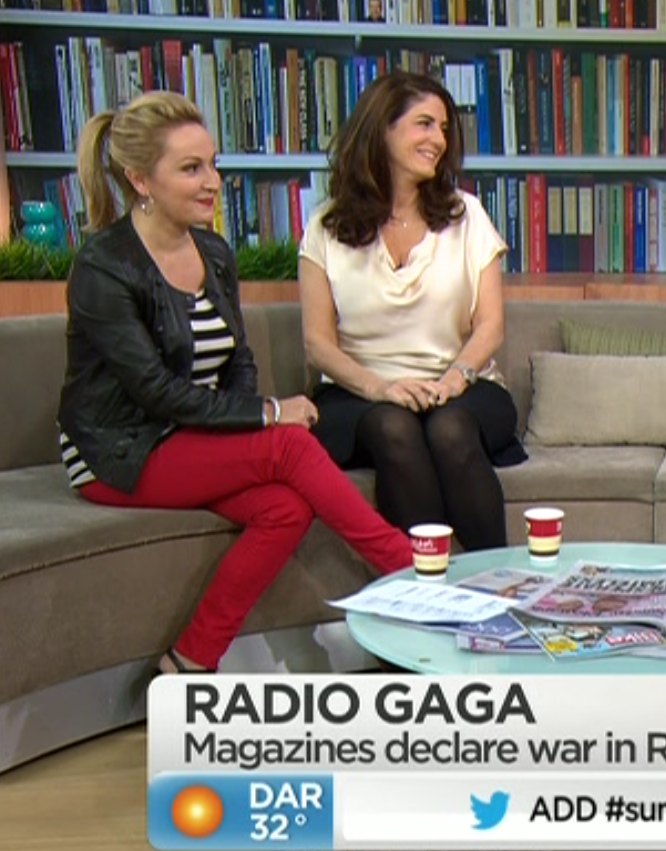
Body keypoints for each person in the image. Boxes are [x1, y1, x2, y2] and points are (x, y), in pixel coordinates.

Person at [58, 92, 413, 675]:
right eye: (191, 168)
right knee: (289, 445)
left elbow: (237, 361)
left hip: (191, 435)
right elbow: (153, 392)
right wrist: (268, 415)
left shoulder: (214, 252)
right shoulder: (104, 266)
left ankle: (190, 658)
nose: (212, 182)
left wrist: (253, 412)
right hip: (119, 449)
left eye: (213, 164)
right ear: (141, 180)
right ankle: (410, 570)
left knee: (285, 508)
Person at [299, 71, 526, 555]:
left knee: (448, 428)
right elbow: (317, 343)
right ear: (382, 128)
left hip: (462, 387)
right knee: (393, 427)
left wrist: (454, 380)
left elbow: (490, 325)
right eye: (424, 124)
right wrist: (379, 388)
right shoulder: (325, 227)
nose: (438, 140)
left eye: (443, 128)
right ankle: (425, 585)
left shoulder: (467, 216)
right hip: (360, 394)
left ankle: (498, 578)